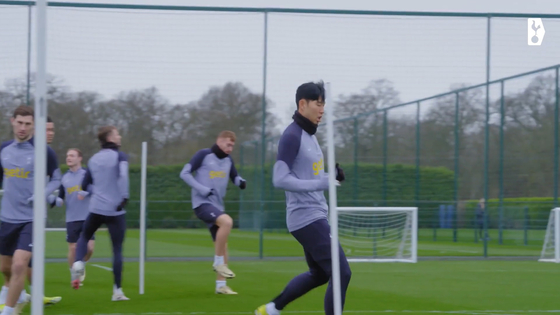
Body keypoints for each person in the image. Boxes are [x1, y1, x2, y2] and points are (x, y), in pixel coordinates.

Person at [254, 81, 351, 315]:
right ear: (302, 104)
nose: (322, 109)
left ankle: (271, 309)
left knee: (319, 274)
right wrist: (321, 182)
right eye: (318, 104)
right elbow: (280, 179)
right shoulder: (292, 136)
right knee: (341, 272)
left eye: (324, 104)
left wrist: (331, 177)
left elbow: (312, 176)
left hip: (315, 214)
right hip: (306, 217)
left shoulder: (311, 136)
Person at [0, 106, 61, 315]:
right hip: (7, 218)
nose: (23, 128)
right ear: (12, 121)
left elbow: (56, 179)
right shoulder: (3, 150)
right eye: (20, 123)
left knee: (19, 265)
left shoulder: (44, 151)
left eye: (28, 124)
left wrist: (42, 194)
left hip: (32, 218)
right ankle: (19, 295)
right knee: (5, 268)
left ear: (34, 126)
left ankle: (7, 311)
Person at [180, 130, 246, 295]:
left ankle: (220, 286)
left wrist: (241, 182)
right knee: (227, 222)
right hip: (202, 204)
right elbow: (184, 173)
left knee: (224, 246)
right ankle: (218, 262)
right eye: (228, 144)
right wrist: (202, 189)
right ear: (219, 140)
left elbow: (235, 177)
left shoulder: (228, 160)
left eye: (232, 146)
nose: (230, 148)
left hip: (217, 206)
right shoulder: (204, 155)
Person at [70, 126, 129, 301]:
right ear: (110, 137)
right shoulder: (120, 156)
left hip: (96, 209)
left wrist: (99, 193)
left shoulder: (94, 159)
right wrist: (124, 196)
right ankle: (117, 292)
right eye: (117, 133)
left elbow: (84, 184)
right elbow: (123, 176)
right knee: (117, 249)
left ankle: (79, 262)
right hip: (115, 211)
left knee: (84, 235)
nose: (119, 136)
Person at [48, 148, 95, 285]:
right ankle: (74, 275)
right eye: (67, 155)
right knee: (73, 248)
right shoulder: (64, 178)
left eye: (72, 155)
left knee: (90, 248)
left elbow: (95, 189)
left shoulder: (87, 174)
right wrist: (51, 199)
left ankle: (80, 265)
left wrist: (85, 193)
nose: (68, 158)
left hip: (88, 217)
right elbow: (61, 200)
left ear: (79, 158)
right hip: (72, 219)